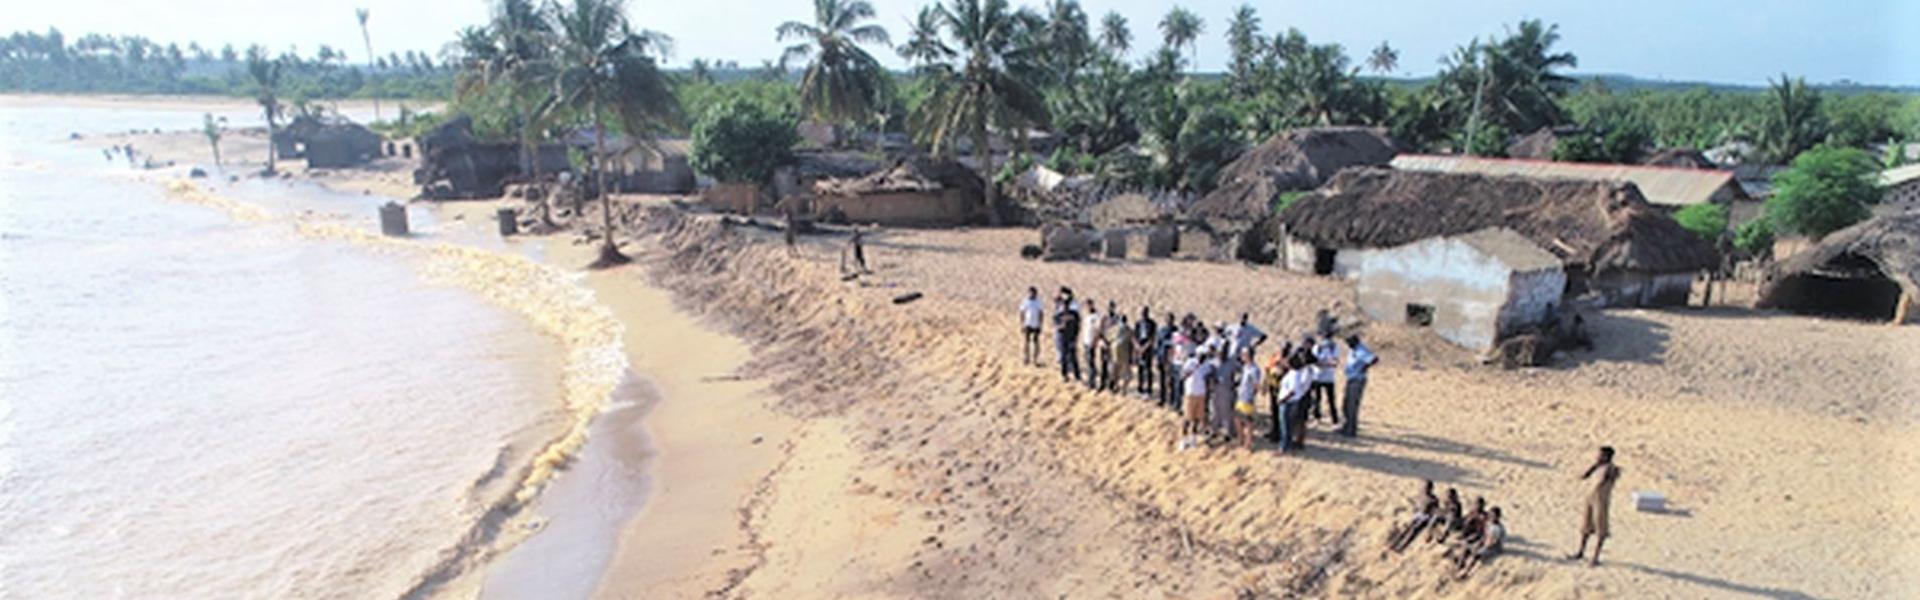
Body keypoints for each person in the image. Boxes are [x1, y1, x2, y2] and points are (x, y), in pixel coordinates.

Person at [1569, 446, 1621, 567]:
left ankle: (1595, 557)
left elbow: (1609, 477)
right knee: (1586, 526)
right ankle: (1581, 551)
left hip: (1601, 500)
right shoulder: (1597, 467)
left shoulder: (1611, 469)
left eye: (1600, 455)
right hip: (1590, 497)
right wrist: (1594, 466)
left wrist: (1604, 467)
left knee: (1600, 528)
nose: (1597, 457)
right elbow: (1584, 476)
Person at [1340, 335, 1378, 437]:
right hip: (1351, 378)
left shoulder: (1361, 350)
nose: (1348, 345)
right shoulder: (1354, 349)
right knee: (1346, 405)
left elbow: (1374, 359)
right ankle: (1346, 426)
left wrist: (1364, 367)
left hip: (1357, 380)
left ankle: (1351, 430)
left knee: (1352, 406)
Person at [1390, 481, 1441, 552]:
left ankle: (1402, 547)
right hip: (1418, 514)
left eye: (1427, 488)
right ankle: (1394, 543)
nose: (1425, 489)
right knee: (1407, 528)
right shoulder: (1422, 494)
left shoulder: (1433, 499)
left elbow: (1435, 511)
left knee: (1414, 530)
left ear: (1431, 489)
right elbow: (1418, 504)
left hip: (1426, 517)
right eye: (1425, 487)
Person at [1180, 347, 1215, 448]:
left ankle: (1193, 439)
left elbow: (1209, 376)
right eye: (1201, 355)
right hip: (1190, 393)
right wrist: (1190, 371)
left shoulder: (1207, 365)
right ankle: (1184, 440)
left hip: (1201, 393)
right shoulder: (1190, 362)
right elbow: (1183, 375)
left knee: (1197, 418)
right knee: (1187, 418)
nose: (1202, 357)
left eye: (1204, 355)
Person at [1455, 507, 1505, 579]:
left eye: (1493, 516)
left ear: (1498, 517)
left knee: (1476, 554)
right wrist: (1478, 543)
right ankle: (1460, 565)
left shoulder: (1498, 528)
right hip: (1486, 543)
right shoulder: (1489, 523)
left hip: (1494, 548)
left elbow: (1492, 543)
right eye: (1490, 515)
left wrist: (1481, 547)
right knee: (1467, 546)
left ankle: (1466, 571)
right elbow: (1484, 536)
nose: (1491, 517)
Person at [1276, 354, 1313, 451]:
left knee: (1285, 426)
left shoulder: (1294, 374)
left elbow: (1292, 391)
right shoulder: (1293, 373)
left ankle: (1284, 447)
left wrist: (1282, 399)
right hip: (1291, 401)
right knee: (1288, 425)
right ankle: (1287, 446)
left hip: (1288, 402)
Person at [1234, 348, 1262, 450]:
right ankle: (1241, 438)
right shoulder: (1245, 367)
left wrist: (1252, 397)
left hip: (1247, 398)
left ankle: (1248, 443)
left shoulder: (1254, 370)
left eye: (1243, 354)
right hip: (1241, 396)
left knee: (1248, 422)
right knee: (1237, 418)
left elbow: (1256, 385)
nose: (1242, 356)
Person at [1311, 335, 1341, 425]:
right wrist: (1327, 363)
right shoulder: (1317, 347)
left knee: (1331, 399)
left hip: (1328, 378)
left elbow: (1335, 362)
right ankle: (1317, 417)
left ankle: (1334, 419)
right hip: (1317, 377)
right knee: (1317, 399)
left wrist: (1324, 364)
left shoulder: (1334, 347)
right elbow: (1315, 361)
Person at [1054, 290, 1082, 382]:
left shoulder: (1074, 314)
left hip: (1071, 337)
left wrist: (1075, 337)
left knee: (1073, 356)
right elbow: (1055, 323)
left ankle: (1077, 376)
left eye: (1067, 304)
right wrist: (1059, 326)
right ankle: (1064, 375)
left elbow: (1078, 325)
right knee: (1063, 357)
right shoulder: (1059, 313)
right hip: (1062, 337)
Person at [1019, 287, 1045, 366]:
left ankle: (1035, 359)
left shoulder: (1038, 302)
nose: (1031, 294)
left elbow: (1041, 313)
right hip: (1027, 324)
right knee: (1026, 342)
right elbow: (1022, 313)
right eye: (1030, 293)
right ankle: (1026, 357)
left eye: (1033, 293)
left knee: (1036, 342)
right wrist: (1022, 324)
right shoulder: (1025, 302)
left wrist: (1040, 324)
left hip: (1036, 324)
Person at [1135, 308, 1157, 394]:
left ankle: (1149, 388)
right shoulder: (1138, 323)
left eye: (1144, 313)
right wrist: (1137, 346)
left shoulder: (1152, 323)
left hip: (1148, 347)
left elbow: (1153, 337)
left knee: (1148, 368)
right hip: (1139, 346)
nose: (1143, 314)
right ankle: (1140, 387)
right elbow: (1135, 335)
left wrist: (1145, 347)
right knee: (1140, 368)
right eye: (1141, 313)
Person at [1082, 301, 1103, 390]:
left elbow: (1098, 330)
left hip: (1091, 342)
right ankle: (1090, 380)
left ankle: (1092, 382)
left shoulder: (1096, 317)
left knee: (1091, 362)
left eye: (1088, 306)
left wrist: (1094, 341)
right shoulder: (1087, 317)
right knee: (1087, 361)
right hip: (1086, 341)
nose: (1086, 308)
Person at [1112, 314, 1136, 394]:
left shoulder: (1115, 329)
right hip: (1124, 354)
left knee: (1117, 372)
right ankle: (1123, 388)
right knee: (1127, 374)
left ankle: (1117, 386)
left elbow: (1108, 340)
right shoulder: (1129, 330)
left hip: (1116, 354)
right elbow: (1134, 342)